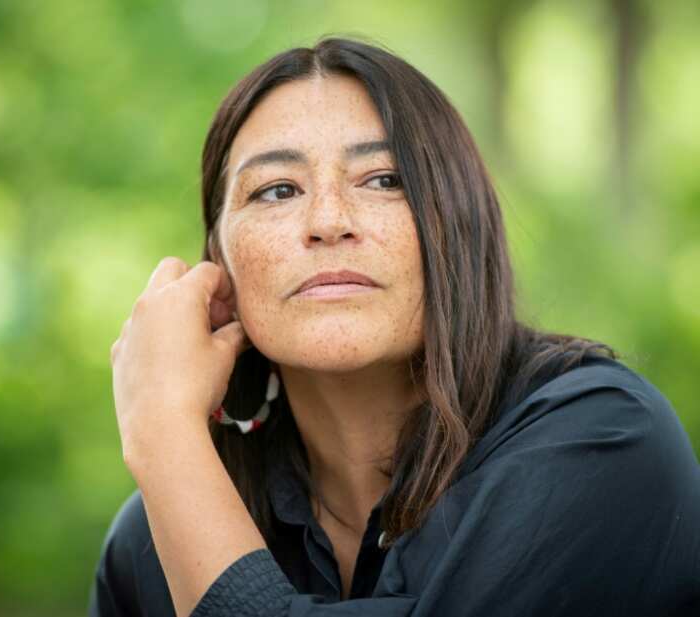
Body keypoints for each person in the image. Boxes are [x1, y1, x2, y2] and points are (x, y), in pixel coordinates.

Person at [90, 36, 700, 616]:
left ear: (461, 226)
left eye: (385, 180)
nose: (329, 220)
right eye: (277, 191)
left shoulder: (605, 442)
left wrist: (162, 430)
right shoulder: (158, 532)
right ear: (218, 267)